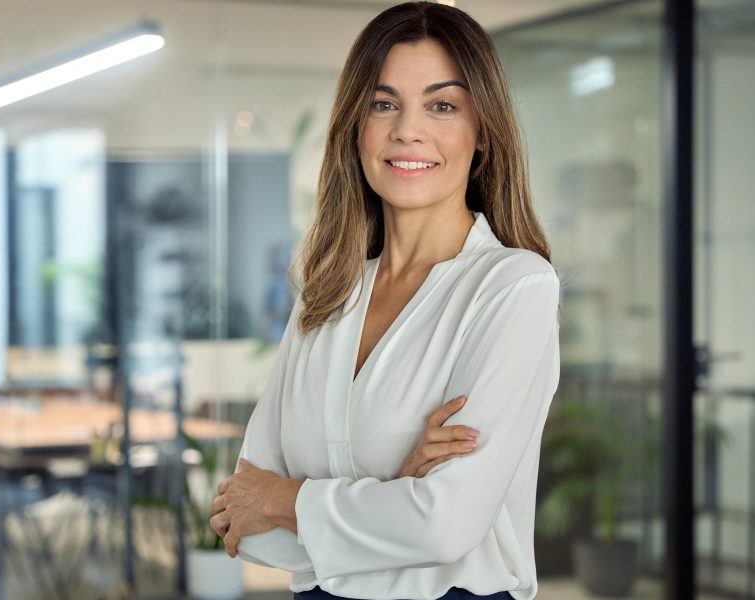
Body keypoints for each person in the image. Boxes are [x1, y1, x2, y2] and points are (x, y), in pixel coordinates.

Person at [208, 2, 560, 599]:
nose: (407, 130)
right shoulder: (325, 294)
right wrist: (395, 487)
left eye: (442, 105)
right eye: (383, 103)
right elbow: (244, 526)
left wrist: (290, 500)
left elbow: (446, 527)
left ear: (482, 136)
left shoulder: (513, 287)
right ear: (356, 125)